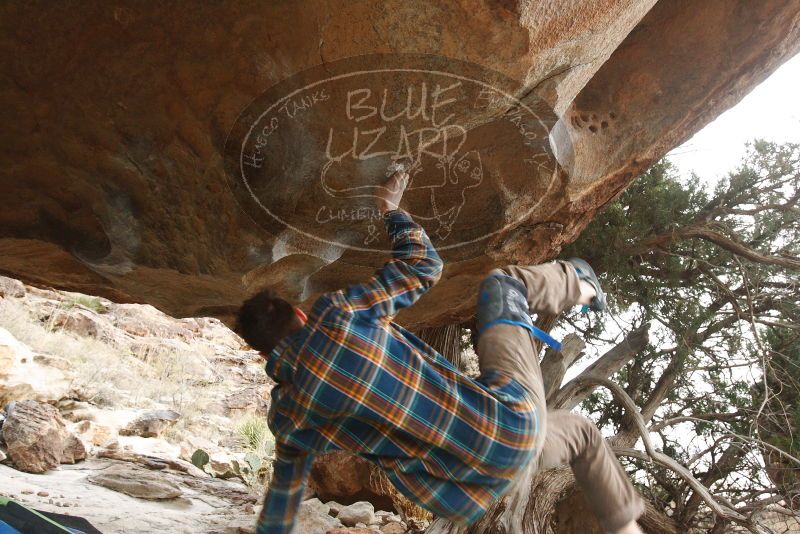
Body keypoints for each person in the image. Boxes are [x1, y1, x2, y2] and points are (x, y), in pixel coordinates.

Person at [237, 169, 645, 533]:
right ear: (300, 315)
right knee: (503, 286)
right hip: (511, 428)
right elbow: (423, 266)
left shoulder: (288, 415)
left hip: (476, 488)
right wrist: (390, 209)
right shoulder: (337, 317)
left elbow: (283, 496)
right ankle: (581, 284)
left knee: (582, 433)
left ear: (264, 354)